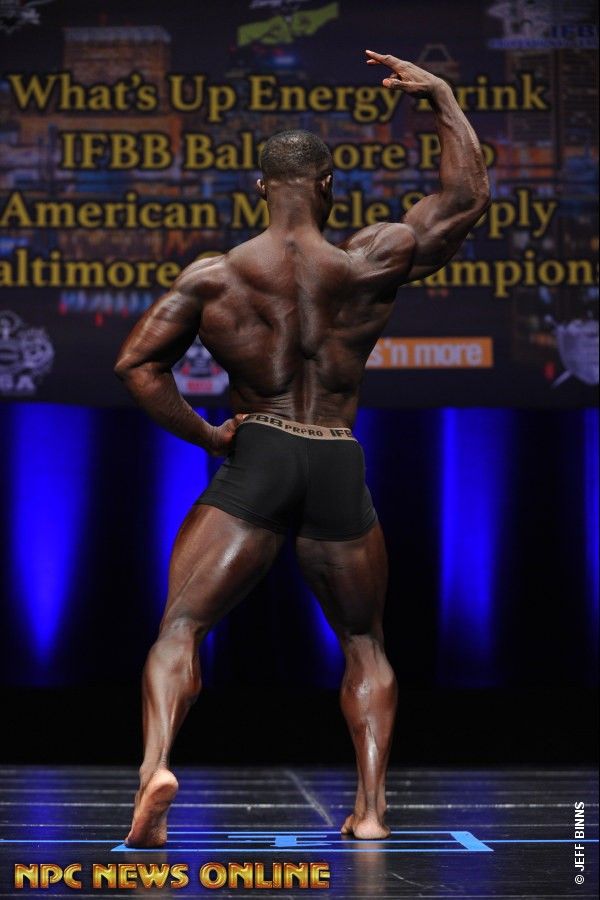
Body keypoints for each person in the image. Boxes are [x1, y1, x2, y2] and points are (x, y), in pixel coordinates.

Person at [115, 51, 490, 848]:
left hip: (260, 450)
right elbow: (465, 199)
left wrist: (208, 433)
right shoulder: (370, 259)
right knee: (364, 642)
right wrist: (441, 98)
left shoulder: (216, 278)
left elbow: (137, 367)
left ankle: (155, 770)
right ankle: (371, 812)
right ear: (328, 186)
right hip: (335, 457)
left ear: (261, 187)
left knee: (181, 627)